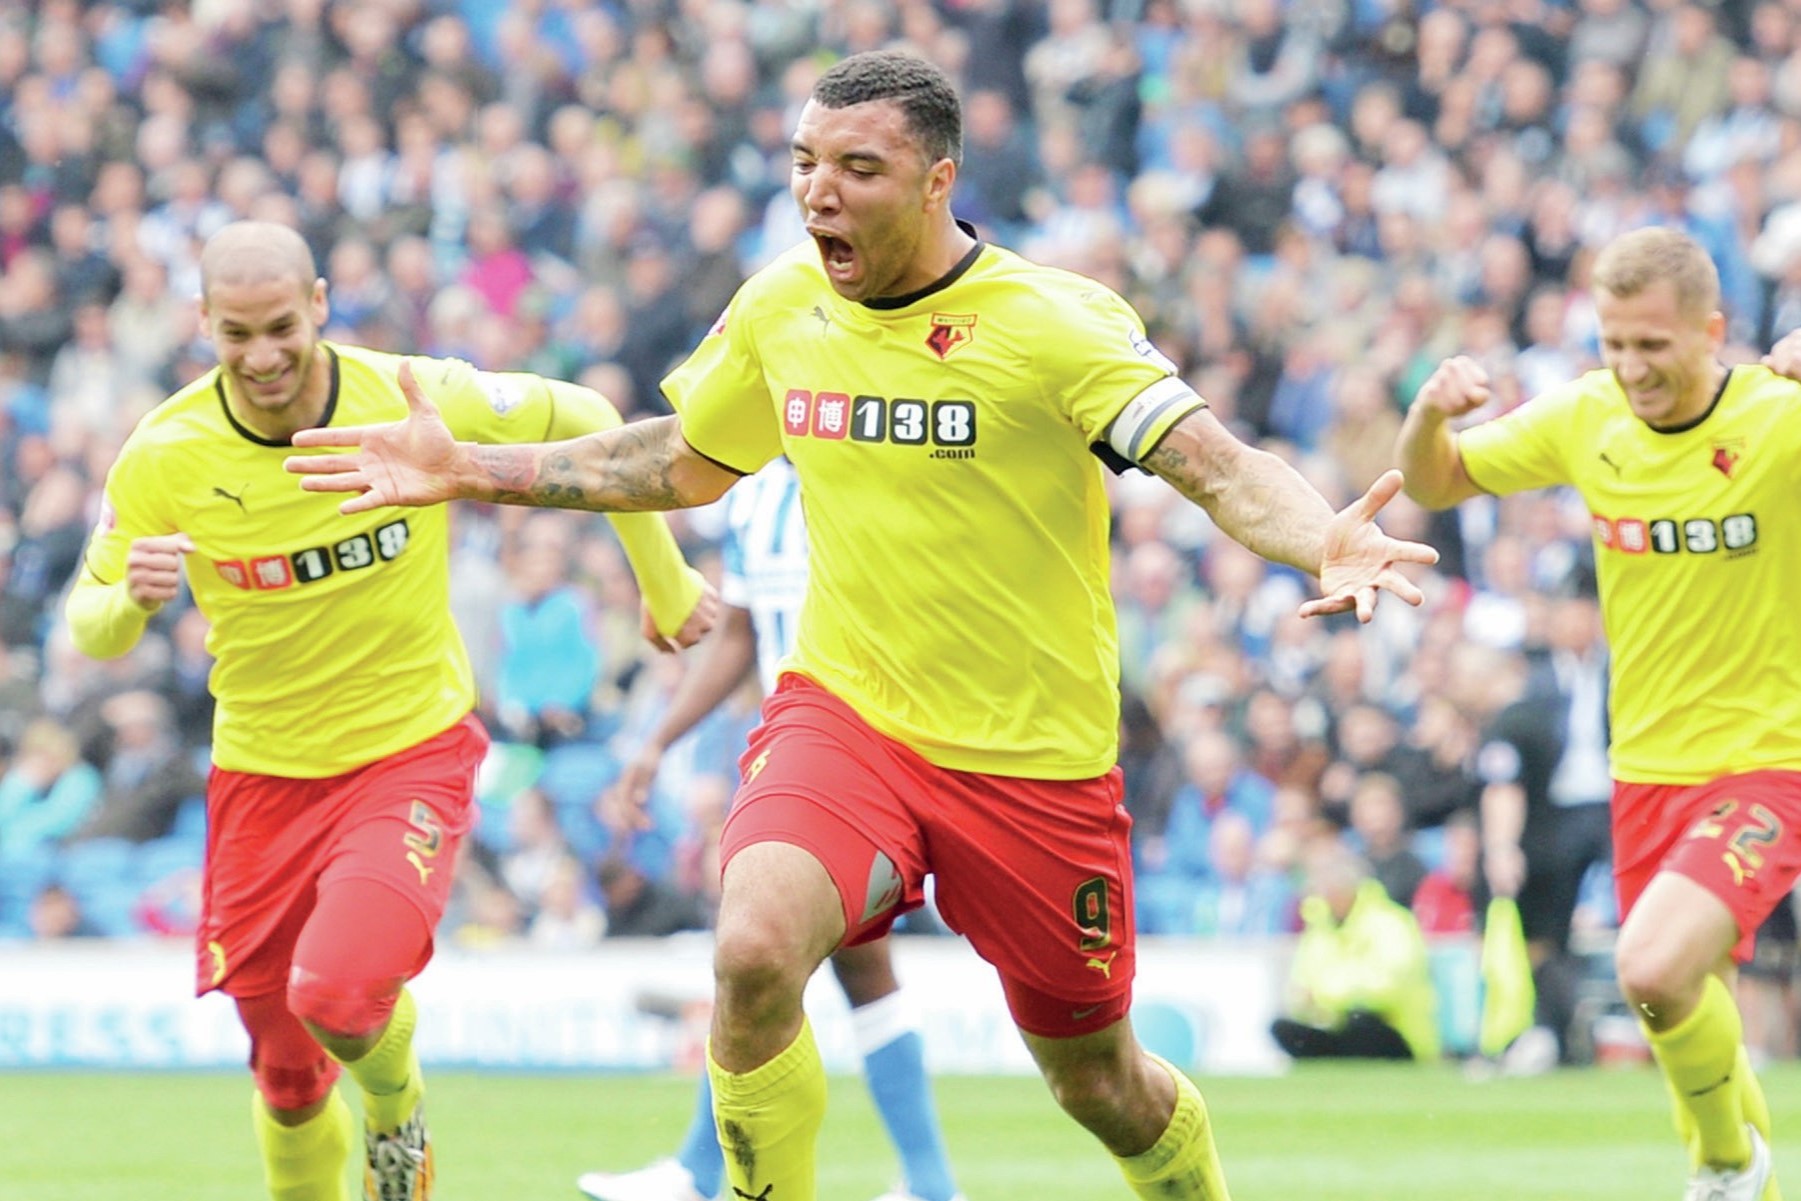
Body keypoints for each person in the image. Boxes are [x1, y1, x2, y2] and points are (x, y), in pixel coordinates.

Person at [288, 51, 1436, 1201]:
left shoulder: (1052, 324)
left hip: (1032, 762)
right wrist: (470, 468)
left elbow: (1218, 469)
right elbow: (681, 458)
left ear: (937, 181)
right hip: (849, 719)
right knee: (748, 952)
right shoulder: (786, 304)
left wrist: (1321, 537)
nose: (817, 192)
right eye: (802, 163)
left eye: (856, 167)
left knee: (1101, 1087)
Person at [65, 220, 717, 1201]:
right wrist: (132, 597)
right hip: (261, 776)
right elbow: (92, 625)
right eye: (237, 333)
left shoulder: (407, 396)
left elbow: (581, 410)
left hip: (405, 755)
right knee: (284, 1082)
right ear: (202, 322)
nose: (264, 354)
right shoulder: (165, 453)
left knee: (337, 992)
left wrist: (664, 586)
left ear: (319, 303)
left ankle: (392, 1103)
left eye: (282, 325)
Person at [1397, 225, 1801, 1201]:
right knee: (1678, 998)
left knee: (1651, 970)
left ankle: (1722, 1163)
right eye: (1613, 344)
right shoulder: (1587, 416)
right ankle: (1739, 1161)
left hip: (1764, 764)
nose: (1630, 368)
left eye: (1652, 346)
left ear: (1713, 330)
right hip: (1644, 772)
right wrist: (1426, 411)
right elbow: (1433, 479)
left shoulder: (1779, 421)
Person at [577, 457, 965, 1201]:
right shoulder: (754, 496)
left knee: (764, 953)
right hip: (794, 761)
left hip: (866, 762)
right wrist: (659, 741)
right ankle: (929, 1185)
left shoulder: (866, 472)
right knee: (832, 968)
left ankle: (699, 1172)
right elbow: (737, 636)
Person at [1473, 577, 1614, 1071]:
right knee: (1540, 924)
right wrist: (1502, 846)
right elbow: (1504, 772)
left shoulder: (1626, 675)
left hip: (1618, 806)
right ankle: (1551, 1028)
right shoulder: (1530, 685)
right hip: (1553, 817)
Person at [1269, 840, 1440, 1062]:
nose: (1316, 891)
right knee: (1284, 1028)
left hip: (1393, 1029)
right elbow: (1300, 988)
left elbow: (1388, 987)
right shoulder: (1319, 928)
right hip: (1336, 1024)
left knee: (1363, 1024)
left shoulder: (1391, 922)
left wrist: (1324, 995)